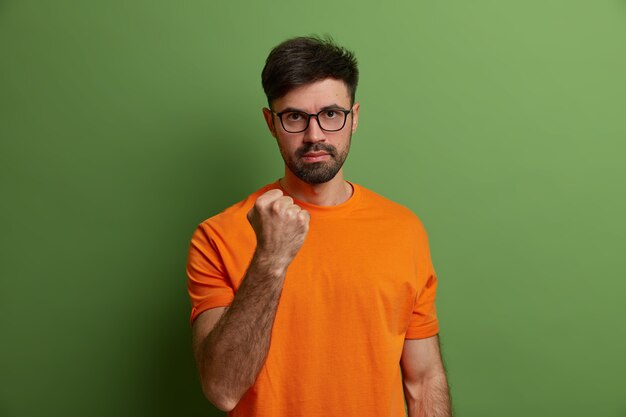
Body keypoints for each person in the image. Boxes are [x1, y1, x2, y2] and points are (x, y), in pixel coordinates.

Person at [187, 36, 452, 417]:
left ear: (354, 117)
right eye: (295, 117)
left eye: (331, 114)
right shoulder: (217, 236)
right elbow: (222, 389)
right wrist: (271, 259)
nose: (315, 135)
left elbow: (425, 381)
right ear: (271, 123)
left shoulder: (403, 230)